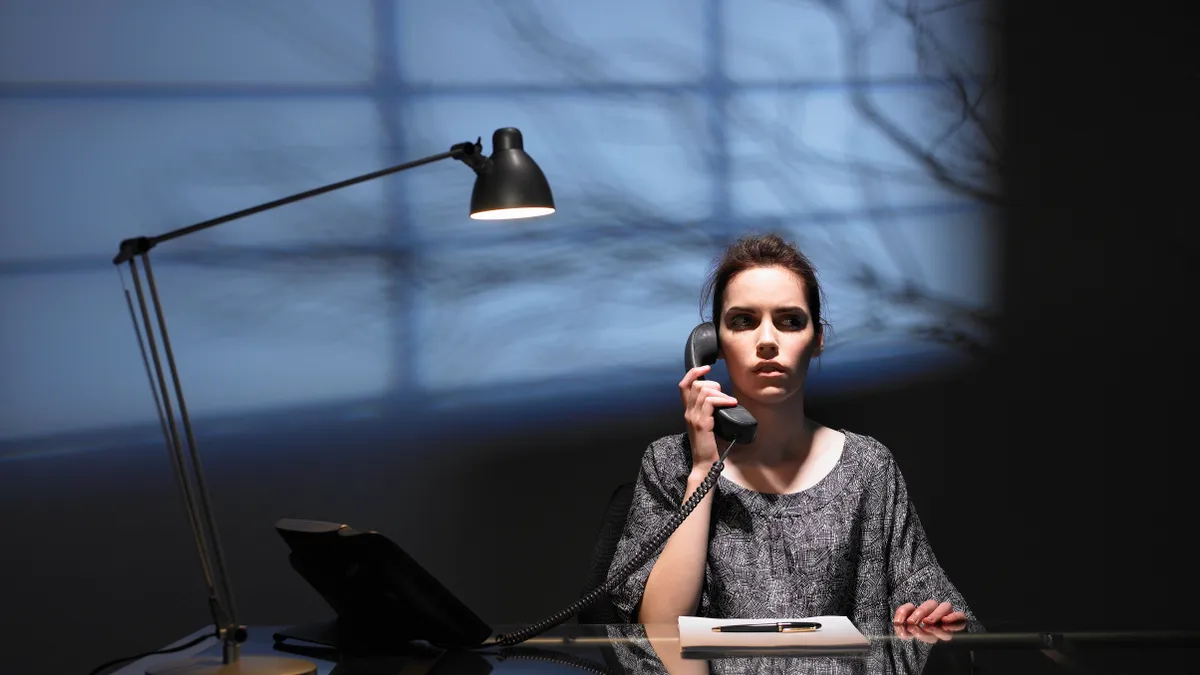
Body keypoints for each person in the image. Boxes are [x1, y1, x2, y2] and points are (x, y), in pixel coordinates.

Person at [606, 232, 973, 630]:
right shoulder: (668, 463)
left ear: (816, 339)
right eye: (744, 321)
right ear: (714, 343)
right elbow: (657, 630)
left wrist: (935, 620)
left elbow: (937, 609)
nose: (767, 341)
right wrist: (703, 469)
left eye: (790, 321)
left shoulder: (869, 468)